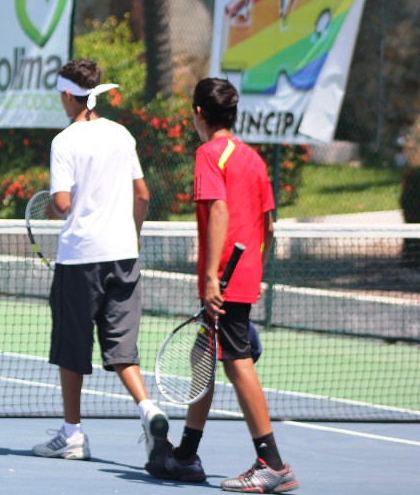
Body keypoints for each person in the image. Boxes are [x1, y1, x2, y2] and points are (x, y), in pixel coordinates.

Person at [147, 77, 297, 493]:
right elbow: (268, 223)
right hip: (241, 275)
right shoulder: (254, 159)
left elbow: (218, 211)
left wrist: (213, 276)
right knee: (203, 359)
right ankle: (186, 455)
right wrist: (256, 272)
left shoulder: (210, 154)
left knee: (235, 361)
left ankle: (272, 463)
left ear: (198, 112)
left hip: (224, 279)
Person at [32, 58, 169, 465]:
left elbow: (60, 203)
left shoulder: (65, 141)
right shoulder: (122, 134)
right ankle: (148, 408)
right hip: (124, 256)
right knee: (122, 352)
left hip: (80, 260)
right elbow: (142, 195)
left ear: (69, 96)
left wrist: (51, 212)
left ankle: (72, 433)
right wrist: (134, 236)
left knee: (71, 350)